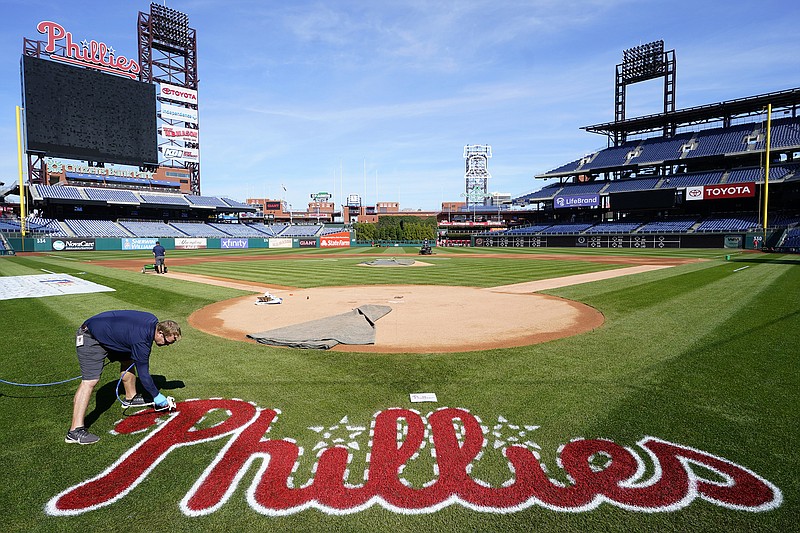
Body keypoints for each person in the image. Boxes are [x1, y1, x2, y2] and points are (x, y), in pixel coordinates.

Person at [66, 310, 181, 445]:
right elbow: (143, 374)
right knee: (90, 381)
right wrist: (157, 396)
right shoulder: (142, 341)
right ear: (160, 333)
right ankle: (74, 431)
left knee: (128, 360)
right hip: (90, 336)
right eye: (168, 342)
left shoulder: (152, 321)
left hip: (106, 332)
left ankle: (130, 397)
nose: (167, 345)